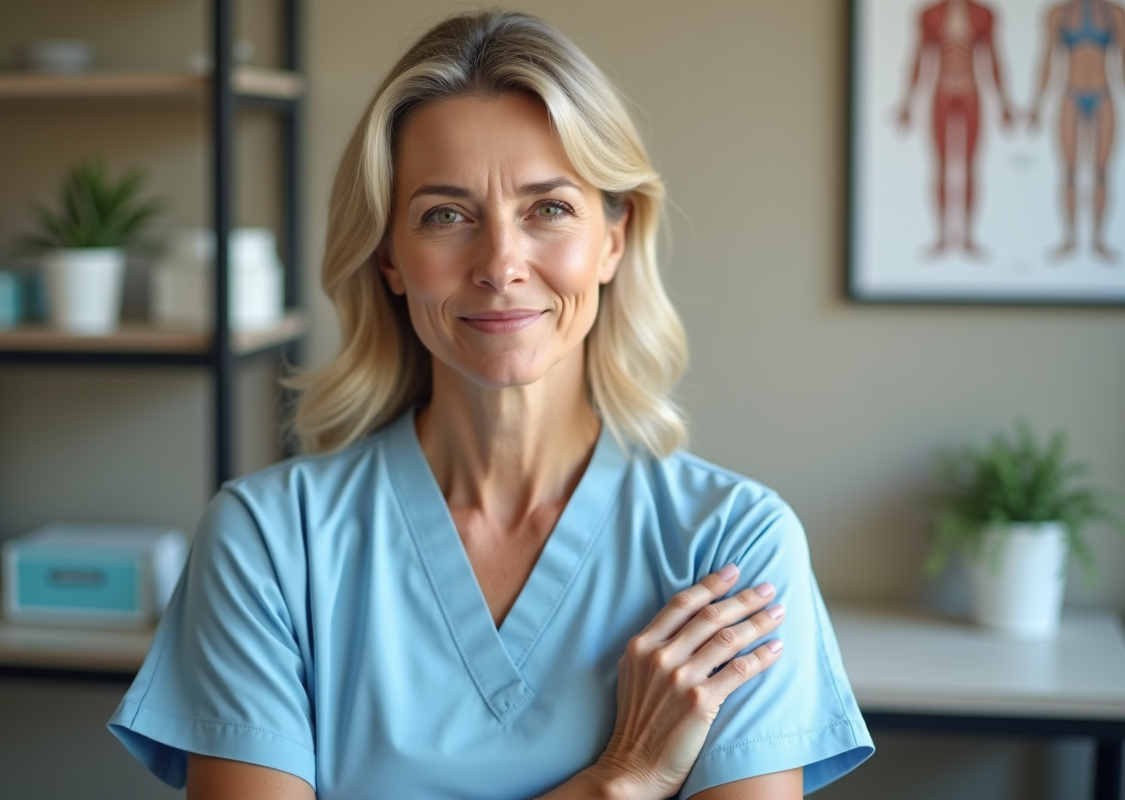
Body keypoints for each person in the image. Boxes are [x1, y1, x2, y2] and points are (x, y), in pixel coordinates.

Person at [108, 10, 873, 799]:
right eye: (446, 215)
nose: (501, 264)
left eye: (549, 208)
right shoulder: (269, 543)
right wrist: (619, 780)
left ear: (614, 237)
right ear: (391, 258)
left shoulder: (735, 547)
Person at [895, 0, 1015, 257]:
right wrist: (907, 102)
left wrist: (1004, 103)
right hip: (942, 93)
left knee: (971, 166)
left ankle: (969, 237)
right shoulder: (929, 14)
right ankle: (941, 236)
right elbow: (920, 57)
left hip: (971, 92)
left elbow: (992, 57)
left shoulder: (984, 14)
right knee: (941, 166)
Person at [1028, 0, 1125, 261]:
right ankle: (1070, 239)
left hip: (1103, 94)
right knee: (1069, 171)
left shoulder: (1114, 13)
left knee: (1101, 172)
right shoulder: (1058, 14)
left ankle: (1098, 240)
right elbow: (1047, 59)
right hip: (1070, 94)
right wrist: (1037, 104)